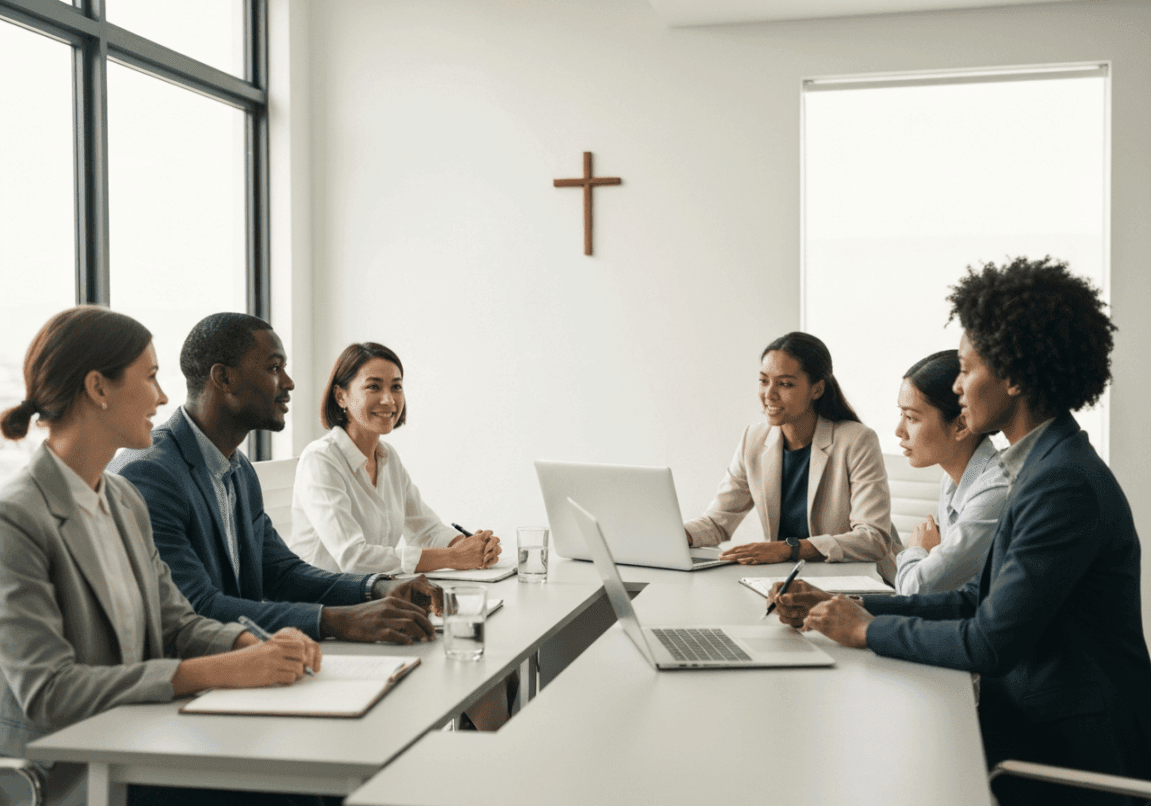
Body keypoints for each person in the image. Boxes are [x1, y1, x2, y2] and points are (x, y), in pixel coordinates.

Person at [774, 258, 1151, 806]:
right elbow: (978, 599)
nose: (956, 384)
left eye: (967, 369)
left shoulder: (1061, 484)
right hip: (1029, 726)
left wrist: (862, 631)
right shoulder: (1042, 465)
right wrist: (847, 604)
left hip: (1064, 753)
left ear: (1015, 377)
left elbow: (990, 641)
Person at [0, 307, 322, 806]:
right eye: (150, 377)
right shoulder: (15, 518)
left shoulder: (123, 499)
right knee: (296, 793)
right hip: (70, 770)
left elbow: (177, 623)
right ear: (98, 388)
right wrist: (214, 671)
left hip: (143, 738)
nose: (163, 396)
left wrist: (251, 642)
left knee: (308, 781)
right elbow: (49, 692)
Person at [108, 313, 442, 646]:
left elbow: (280, 572)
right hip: (196, 674)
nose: (288, 382)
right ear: (223, 378)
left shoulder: (238, 469)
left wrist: (377, 587)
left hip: (246, 658)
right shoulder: (152, 473)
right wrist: (337, 620)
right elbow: (197, 608)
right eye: (273, 368)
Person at [685, 331, 900, 582]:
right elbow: (717, 522)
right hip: (788, 580)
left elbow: (872, 539)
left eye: (785, 384)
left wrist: (790, 548)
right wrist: (672, 535)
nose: (769, 394)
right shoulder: (753, 439)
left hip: (857, 580)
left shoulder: (857, 440)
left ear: (817, 389)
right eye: (764, 381)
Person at [288, 342, 501, 575]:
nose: (389, 400)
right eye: (374, 387)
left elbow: (425, 529)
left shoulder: (388, 458)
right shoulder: (320, 460)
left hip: (373, 594)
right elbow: (353, 557)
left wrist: (469, 546)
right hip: (326, 601)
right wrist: (452, 557)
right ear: (341, 396)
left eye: (396, 387)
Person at [893, 350, 1008, 594]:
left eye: (912, 418)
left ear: (960, 425)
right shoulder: (951, 479)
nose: (899, 431)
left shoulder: (994, 492)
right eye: (900, 414)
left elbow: (918, 590)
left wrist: (916, 551)